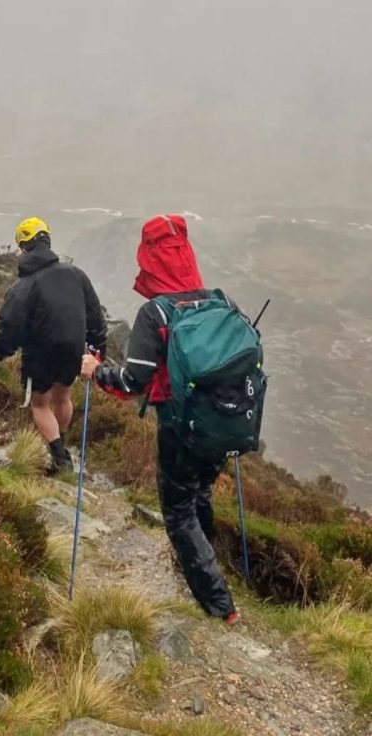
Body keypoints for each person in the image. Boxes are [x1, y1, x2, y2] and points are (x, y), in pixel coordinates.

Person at [80, 214, 240, 623]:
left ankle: (218, 604)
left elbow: (133, 381)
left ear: (150, 259)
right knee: (200, 494)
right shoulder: (220, 302)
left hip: (179, 423)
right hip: (222, 423)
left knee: (179, 510)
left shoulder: (156, 313)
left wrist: (95, 372)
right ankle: (203, 567)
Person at [0, 217, 107, 474]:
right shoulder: (76, 275)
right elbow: (95, 315)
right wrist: (98, 349)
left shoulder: (24, 285)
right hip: (73, 348)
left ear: (24, 248)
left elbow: (10, 323)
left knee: (40, 404)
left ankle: (60, 456)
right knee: (63, 396)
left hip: (40, 353)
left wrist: (1, 350)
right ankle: (62, 444)